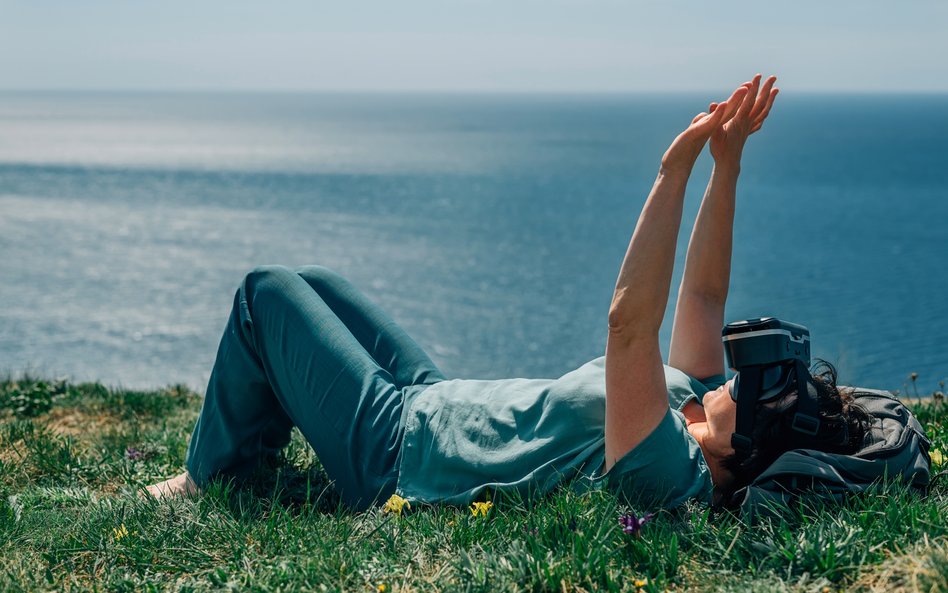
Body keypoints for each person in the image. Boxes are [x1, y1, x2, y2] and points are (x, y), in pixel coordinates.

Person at [145, 75, 870, 510]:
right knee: (316, 287)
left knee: (263, 296)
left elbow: (629, 324)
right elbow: (705, 294)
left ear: (746, 442)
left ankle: (218, 474)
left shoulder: (665, 471)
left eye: (756, 386)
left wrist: (671, 172)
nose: (738, 374)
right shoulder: (691, 394)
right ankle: (249, 446)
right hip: (434, 397)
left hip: (396, 456)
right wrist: (728, 163)